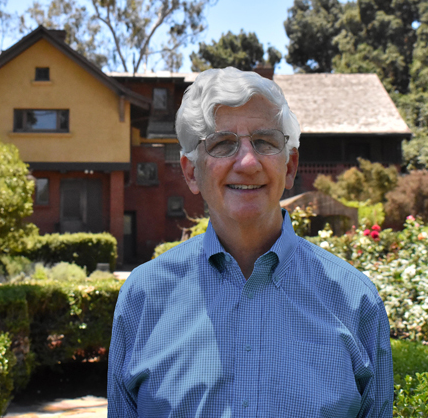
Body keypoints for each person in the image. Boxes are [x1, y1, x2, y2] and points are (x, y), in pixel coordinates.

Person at [107, 67, 393, 417]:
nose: (247, 162)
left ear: (290, 167)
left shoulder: (356, 301)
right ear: (190, 172)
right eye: (222, 144)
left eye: (265, 142)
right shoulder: (142, 298)